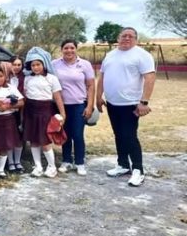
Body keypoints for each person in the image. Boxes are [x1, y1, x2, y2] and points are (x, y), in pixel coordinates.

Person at [96, 27, 156, 187]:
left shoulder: (142, 55)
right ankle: (123, 165)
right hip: (112, 103)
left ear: (136, 39)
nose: (127, 38)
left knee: (129, 136)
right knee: (118, 135)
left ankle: (138, 169)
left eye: (131, 36)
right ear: (118, 37)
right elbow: (102, 77)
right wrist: (98, 97)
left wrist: (144, 102)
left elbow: (149, 78)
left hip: (131, 104)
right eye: (124, 35)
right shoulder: (110, 55)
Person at [53, 39, 95, 176]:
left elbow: (91, 86)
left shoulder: (85, 65)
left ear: (76, 49)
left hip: (78, 104)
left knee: (77, 134)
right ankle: (66, 160)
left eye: (72, 48)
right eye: (66, 48)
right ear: (61, 49)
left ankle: (80, 162)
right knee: (65, 134)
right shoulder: (55, 64)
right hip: (61, 106)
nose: (69, 50)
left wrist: (89, 106)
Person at [23, 47, 66, 178]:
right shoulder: (27, 79)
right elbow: (25, 95)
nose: (36, 67)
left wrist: (63, 114)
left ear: (44, 64)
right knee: (34, 141)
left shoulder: (51, 78)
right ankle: (38, 166)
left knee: (45, 141)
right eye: (33, 65)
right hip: (31, 111)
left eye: (38, 64)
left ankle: (52, 167)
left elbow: (57, 97)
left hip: (45, 111)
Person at [8, 55, 25, 173]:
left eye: (19, 65)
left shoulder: (24, 78)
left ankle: (17, 161)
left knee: (19, 136)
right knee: (9, 136)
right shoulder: (5, 77)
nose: (17, 67)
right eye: (14, 64)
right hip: (8, 110)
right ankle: (10, 162)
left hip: (22, 109)